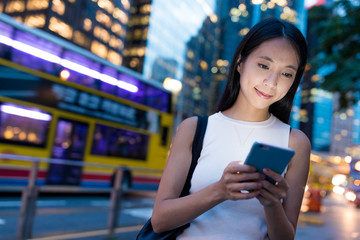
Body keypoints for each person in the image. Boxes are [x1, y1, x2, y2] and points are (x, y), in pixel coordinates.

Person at [151, 17, 310, 240]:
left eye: (286, 74)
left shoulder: (295, 142)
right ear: (240, 63)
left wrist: (272, 203)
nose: (271, 82)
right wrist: (220, 190)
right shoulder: (194, 129)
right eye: (264, 65)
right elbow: (159, 221)